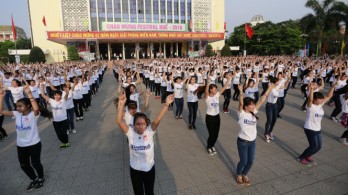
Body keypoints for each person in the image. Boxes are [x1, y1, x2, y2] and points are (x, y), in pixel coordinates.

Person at [116, 92, 174, 195]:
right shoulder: (130, 133)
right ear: (133, 125)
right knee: (138, 193)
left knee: (149, 192)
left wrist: (166, 104)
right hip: (135, 170)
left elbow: (158, 120)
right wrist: (121, 104)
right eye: (138, 124)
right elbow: (120, 122)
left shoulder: (149, 131)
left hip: (149, 169)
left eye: (143, 124)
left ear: (146, 124)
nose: (141, 126)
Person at [0, 86, 52, 191]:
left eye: (20, 106)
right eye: (17, 106)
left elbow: (36, 108)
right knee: (24, 165)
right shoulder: (16, 114)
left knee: (35, 163)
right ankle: (34, 179)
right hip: (21, 145)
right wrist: (1, 97)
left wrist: (29, 94)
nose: (17, 108)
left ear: (28, 106)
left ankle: (41, 178)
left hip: (34, 144)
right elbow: (1, 111)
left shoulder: (33, 115)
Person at [235, 83, 274, 186]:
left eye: (253, 104)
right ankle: (239, 174)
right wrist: (240, 92)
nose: (253, 106)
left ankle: (244, 174)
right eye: (251, 104)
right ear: (246, 106)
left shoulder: (254, 112)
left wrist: (269, 88)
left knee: (250, 161)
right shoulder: (241, 114)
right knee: (243, 161)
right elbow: (240, 104)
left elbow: (261, 100)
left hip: (252, 142)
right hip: (242, 142)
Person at [297, 82, 336, 165]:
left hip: (318, 129)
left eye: (322, 98)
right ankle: (301, 157)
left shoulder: (320, 104)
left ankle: (308, 155)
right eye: (320, 98)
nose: (322, 100)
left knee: (319, 146)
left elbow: (329, 96)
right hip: (310, 128)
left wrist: (333, 87)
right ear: (315, 99)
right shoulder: (310, 106)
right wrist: (311, 89)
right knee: (314, 146)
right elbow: (310, 99)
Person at [204, 74, 232, 155]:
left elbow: (224, 87)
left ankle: (212, 145)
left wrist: (228, 79)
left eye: (216, 89)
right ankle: (209, 146)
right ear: (210, 90)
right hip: (209, 117)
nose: (216, 90)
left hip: (217, 117)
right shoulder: (207, 98)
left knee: (216, 134)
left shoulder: (217, 95)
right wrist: (208, 82)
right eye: (215, 89)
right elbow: (206, 92)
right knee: (211, 133)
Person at [40, 83, 70, 148]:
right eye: (55, 95)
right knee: (59, 134)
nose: (57, 96)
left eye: (58, 95)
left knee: (64, 133)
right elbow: (43, 95)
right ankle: (63, 142)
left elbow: (67, 94)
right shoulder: (51, 101)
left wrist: (67, 88)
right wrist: (42, 87)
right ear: (54, 96)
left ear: (60, 96)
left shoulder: (63, 100)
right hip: (55, 121)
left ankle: (66, 142)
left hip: (64, 120)